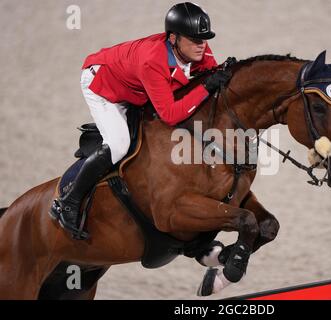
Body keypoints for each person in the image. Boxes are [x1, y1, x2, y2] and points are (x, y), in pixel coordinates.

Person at [50, 2, 231, 239]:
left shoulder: (198, 50)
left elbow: (212, 77)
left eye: (204, 39)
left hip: (136, 88)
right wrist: (207, 85)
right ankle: (69, 202)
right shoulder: (152, 60)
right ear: (174, 39)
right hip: (103, 85)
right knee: (119, 144)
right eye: (195, 39)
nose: (202, 45)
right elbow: (171, 114)